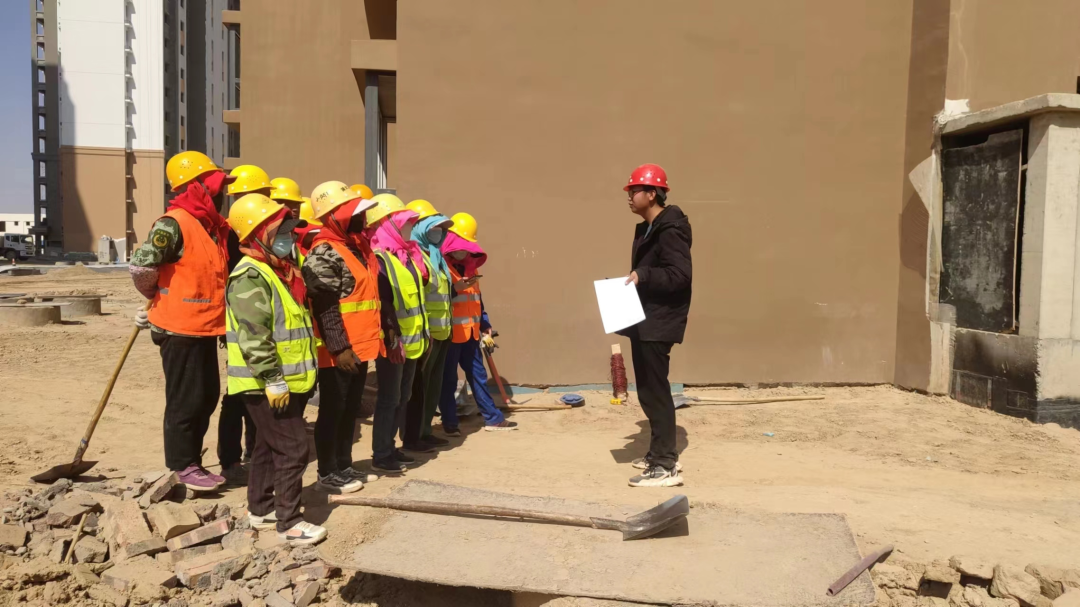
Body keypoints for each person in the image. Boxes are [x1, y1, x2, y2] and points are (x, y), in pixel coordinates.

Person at [224, 193, 325, 545]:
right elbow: (254, 335)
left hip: (283, 380)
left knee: (268, 447)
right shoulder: (250, 275)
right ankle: (290, 522)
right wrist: (273, 378)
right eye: (280, 231)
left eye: (288, 230)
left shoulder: (278, 271)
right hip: (264, 381)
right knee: (293, 448)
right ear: (257, 234)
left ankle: (262, 508)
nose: (287, 237)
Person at [130, 151, 232, 492]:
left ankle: (191, 460)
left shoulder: (210, 225)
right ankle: (181, 465)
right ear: (198, 187)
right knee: (186, 400)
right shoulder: (173, 223)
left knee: (206, 396)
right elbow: (142, 266)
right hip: (178, 328)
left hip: (204, 326)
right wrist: (156, 296)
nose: (222, 194)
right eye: (217, 187)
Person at [302, 181, 393, 492]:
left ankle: (344, 464)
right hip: (338, 352)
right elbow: (324, 305)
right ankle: (327, 472)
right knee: (333, 411)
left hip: (360, 347)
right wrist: (339, 348)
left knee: (349, 409)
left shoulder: (356, 247)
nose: (362, 219)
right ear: (335, 216)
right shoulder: (324, 253)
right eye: (355, 214)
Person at [617, 163, 692, 488]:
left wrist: (643, 275)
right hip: (645, 320)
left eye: (634, 190)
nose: (629, 196)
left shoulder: (670, 229)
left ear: (652, 194)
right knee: (648, 390)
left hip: (660, 321)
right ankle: (659, 452)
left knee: (655, 391)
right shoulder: (648, 229)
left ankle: (665, 466)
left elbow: (680, 275)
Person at [215, 164, 274, 485]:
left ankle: (254, 451)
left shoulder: (259, 231)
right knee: (239, 393)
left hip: (256, 316)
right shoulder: (228, 233)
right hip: (240, 318)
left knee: (254, 391)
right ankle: (229, 459)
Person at [367, 194, 431, 472]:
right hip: (394, 343)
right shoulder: (380, 259)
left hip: (413, 341)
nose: (409, 228)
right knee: (389, 399)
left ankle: (390, 447)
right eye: (404, 223)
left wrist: (424, 333)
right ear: (388, 225)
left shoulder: (408, 256)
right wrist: (392, 339)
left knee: (402, 398)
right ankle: (381, 454)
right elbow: (384, 304)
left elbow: (417, 299)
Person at [438, 213, 517, 434]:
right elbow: (435, 300)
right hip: (450, 335)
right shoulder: (441, 268)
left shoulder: (472, 270)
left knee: (478, 376)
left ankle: (493, 419)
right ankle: (450, 424)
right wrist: (454, 289)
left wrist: (484, 325)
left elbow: (477, 301)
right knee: (448, 380)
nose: (463, 252)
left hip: (471, 335)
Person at [400, 200, 454, 452]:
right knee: (418, 387)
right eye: (434, 228)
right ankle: (412, 434)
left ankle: (425, 430)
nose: (438, 233)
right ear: (419, 228)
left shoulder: (438, 257)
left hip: (443, 331)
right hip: (427, 333)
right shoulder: (415, 256)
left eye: (441, 229)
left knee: (433, 386)